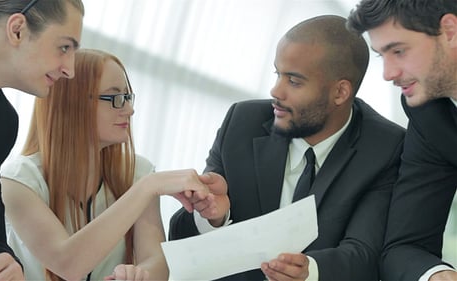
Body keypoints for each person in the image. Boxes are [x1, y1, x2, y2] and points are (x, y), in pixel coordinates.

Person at [169, 15, 406, 281]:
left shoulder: (384, 148)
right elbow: (179, 236)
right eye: (277, 74)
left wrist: (310, 272)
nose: (276, 91)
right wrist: (213, 218)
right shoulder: (242, 123)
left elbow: (365, 253)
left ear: (340, 93)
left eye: (294, 81)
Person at [0, 48, 211, 281]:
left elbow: (158, 263)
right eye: (115, 98)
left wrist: (137, 274)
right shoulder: (18, 181)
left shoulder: (138, 173)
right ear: (73, 104)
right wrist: (148, 187)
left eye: (128, 97)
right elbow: (68, 264)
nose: (130, 110)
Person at [0, 0, 84, 280]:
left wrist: (2, 264)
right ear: (17, 30)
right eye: (64, 47)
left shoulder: (1, 123)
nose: (70, 70)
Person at [346, 1, 457, 280]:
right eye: (382, 55)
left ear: (450, 31)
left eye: (399, 51)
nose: (388, 74)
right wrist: (436, 276)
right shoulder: (430, 113)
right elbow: (405, 247)